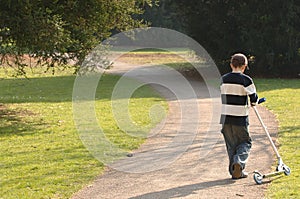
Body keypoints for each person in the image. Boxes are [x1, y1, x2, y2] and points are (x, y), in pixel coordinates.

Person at [220, 53, 259, 179]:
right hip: (240, 118)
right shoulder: (246, 80)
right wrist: (254, 102)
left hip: (226, 117)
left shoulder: (223, 79)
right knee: (245, 142)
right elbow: (253, 98)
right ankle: (239, 162)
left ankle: (235, 172)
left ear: (231, 64)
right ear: (244, 66)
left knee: (231, 145)